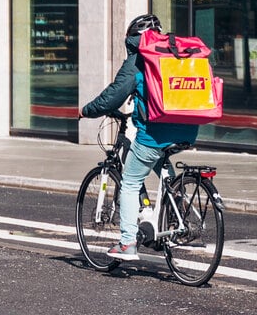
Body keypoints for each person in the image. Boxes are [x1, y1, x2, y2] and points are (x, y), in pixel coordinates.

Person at [78, 14, 198, 261]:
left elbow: (112, 97)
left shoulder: (138, 61)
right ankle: (176, 211)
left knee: (130, 182)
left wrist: (85, 111)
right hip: (189, 128)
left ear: (132, 39)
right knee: (160, 160)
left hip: (155, 131)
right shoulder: (175, 55)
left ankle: (127, 243)